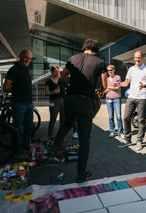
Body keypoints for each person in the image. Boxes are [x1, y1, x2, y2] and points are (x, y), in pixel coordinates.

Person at [50, 39, 107, 183]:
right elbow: (104, 84)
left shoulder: (72, 58)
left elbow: (63, 77)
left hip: (70, 98)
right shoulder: (99, 62)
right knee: (84, 139)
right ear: (96, 50)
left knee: (67, 123)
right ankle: (81, 174)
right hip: (85, 101)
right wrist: (101, 90)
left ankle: (53, 148)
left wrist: (74, 82)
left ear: (85, 47)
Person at [120, 50, 146, 151]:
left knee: (141, 120)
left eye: (139, 57)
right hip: (131, 96)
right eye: (135, 57)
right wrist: (118, 84)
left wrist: (144, 85)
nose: (137, 59)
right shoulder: (131, 69)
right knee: (126, 117)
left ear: (142, 58)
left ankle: (139, 141)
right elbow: (126, 83)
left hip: (142, 97)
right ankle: (128, 138)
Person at [3, 49, 34, 159]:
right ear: (20, 56)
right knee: (18, 128)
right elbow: (6, 87)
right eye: (26, 57)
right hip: (19, 103)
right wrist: (16, 89)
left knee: (29, 126)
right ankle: (17, 151)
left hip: (29, 103)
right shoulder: (13, 70)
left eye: (30, 58)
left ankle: (26, 147)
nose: (28, 60)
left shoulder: (27, 69)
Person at [45, 65, 65, 138]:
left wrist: (60, 69)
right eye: (55, 72)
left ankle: (61, 137)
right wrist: (53, 92)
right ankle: (49, 136)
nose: (56, 74)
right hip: (53, 102)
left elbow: (66, 72)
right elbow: (46, 93)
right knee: (53, 119)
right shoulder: (48, 82)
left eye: (57, 72)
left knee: (63, 120)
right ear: (51, 72)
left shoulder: (61, 80)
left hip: (63, 101)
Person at [104, 65, 124, 138]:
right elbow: (105, 91)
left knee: (118, 116)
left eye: (111, 70)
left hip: (116, 99)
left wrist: (109, 87)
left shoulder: (117, 77)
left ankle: (120, 132)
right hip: (108, 99)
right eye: (108, 70)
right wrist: (113, 87)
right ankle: (112, 131)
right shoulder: (106, 79)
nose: (110, 71)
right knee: (110, 116)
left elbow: (118, 87)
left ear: (114, 70)